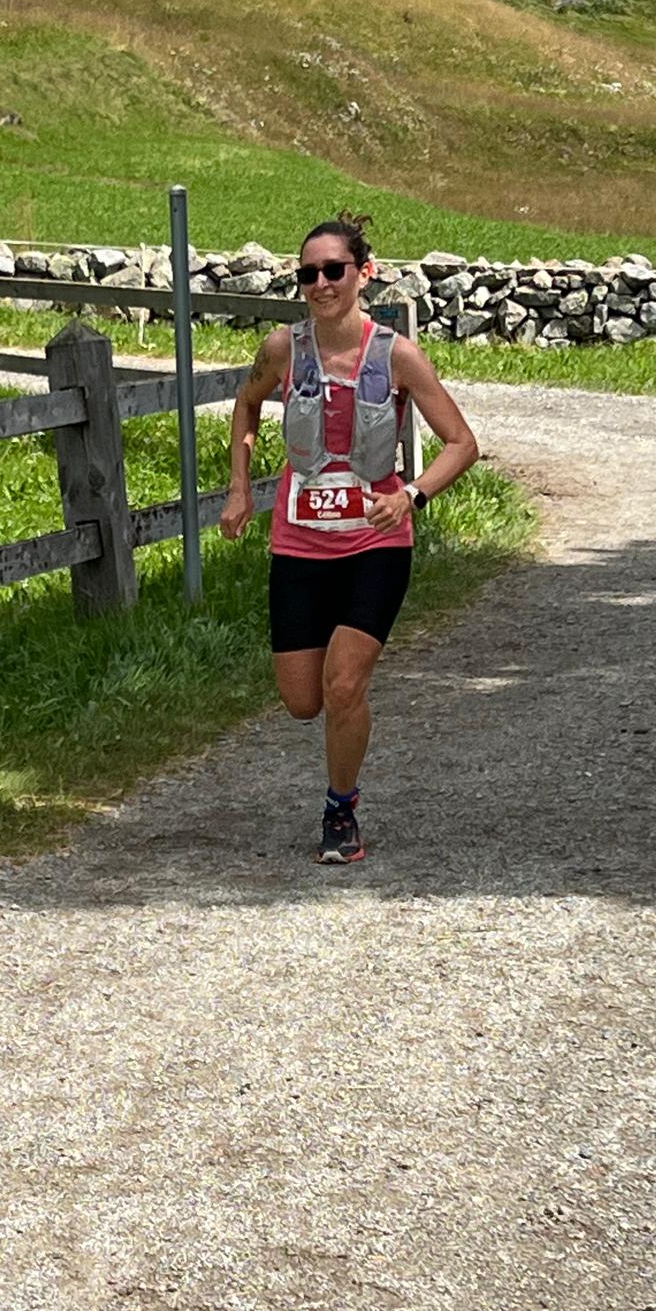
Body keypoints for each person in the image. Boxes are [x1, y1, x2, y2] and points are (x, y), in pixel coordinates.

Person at [219, 212, 479, 863]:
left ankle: (341, 810)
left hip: (375, 545)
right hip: (299, 542)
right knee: (303, 701)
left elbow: (461, 443)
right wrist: (240, 487)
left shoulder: (396, 355)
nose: (321, 283)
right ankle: (339, 776)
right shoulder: (283, 349)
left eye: (333, 270)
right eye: (308, 274)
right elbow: (246, 404)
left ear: (364, 273)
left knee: (343, 687)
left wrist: (412, 495)